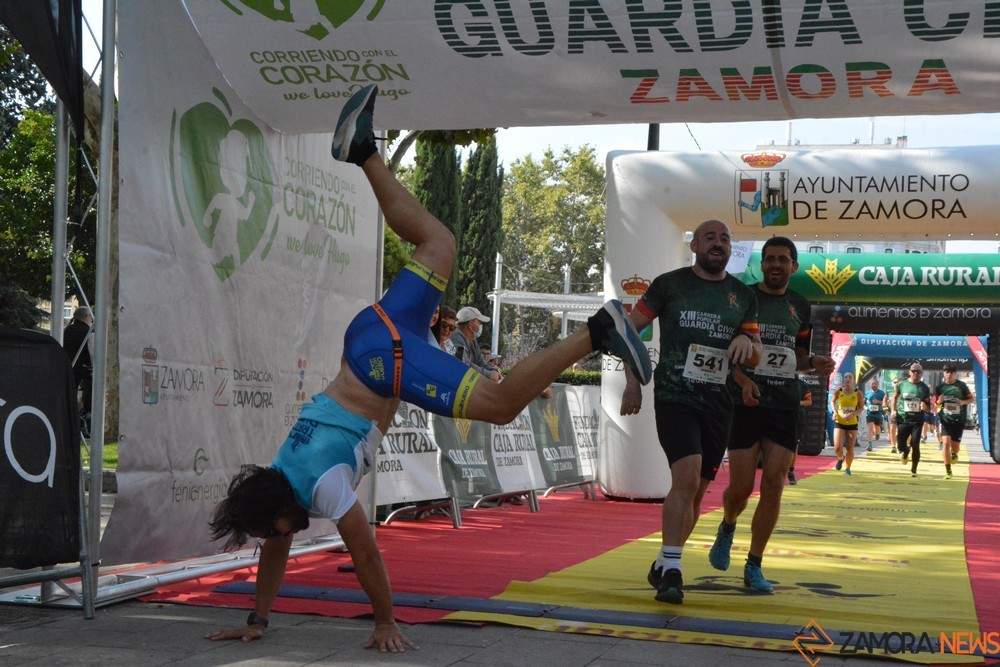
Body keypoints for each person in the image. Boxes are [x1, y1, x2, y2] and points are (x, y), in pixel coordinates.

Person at [206, 85, 652, 651]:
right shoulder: (281, 472)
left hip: (380, 363)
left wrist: (386, 621)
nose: (274, 541)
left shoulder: (322, 487)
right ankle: (365, 151)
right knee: (438, 242)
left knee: (498, 405)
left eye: (268, 532)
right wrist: (257, 621)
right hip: (371, 335)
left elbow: (365, 551)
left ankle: (598, 330)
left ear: (278, 514)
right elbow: (274, 550)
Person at [620, 219, 762, 605]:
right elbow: (630, 331)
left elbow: (758, 353)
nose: (719, 243)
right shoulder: (670, 284)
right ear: (695, 245)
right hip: (675, 395)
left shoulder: (742, 295)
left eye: (725, 238)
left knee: (698, 491)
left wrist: (745, 340)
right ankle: (673, 574)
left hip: (719, 403)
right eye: (710, 237)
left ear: (731, 249)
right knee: (686, 475)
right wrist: (633, 381)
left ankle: (663, 562)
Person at [708, 237, 834, 593]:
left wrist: (817, 364)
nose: (776, 265)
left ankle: (754, 564)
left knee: (775, 483)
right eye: (770, 259)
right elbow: (726, 351)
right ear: (762, 265)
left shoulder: (800, 305)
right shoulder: (743, 298)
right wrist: (742, 380)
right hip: (745, 401)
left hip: (784, 403)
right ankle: (728, 524)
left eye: (783, 259)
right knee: (742, 486)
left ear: (794, 266)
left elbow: (799, 356)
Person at [892, 362, 931, 477]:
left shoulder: (924, 388)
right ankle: (905, 451)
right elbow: (895, 397)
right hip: (903, 418)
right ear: (910, 372)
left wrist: (926, 407)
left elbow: (929, 405)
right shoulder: (902, 384)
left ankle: (914, 469)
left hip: (917, 420)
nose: (916, 373)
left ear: (922, 373)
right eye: (914, 371)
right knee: (900, 445)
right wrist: (894, 410)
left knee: (915, 443)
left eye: (919, 372)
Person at [934, 365, 973, 478]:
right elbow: (936, 406)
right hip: (945, 420)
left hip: (959, 420)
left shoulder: (962, 386)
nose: (949, 374)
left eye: (952, 372)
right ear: (944, 373)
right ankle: (948, 470)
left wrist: (962, 402)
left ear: (955, 374)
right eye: (947, 372)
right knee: (946, 443)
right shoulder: (940, 387)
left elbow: (971, 399)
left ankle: (954, 454)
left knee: (955, 447)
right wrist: (939, 402)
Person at [450, 306, 501, 381]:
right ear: (470, 324)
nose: (480, 326)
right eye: (479, 322)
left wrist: (493, 370)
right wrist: (489, 374)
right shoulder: (456, 336)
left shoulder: (472, 339)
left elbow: (480, 362)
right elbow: (464, 363)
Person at [62, 306, 93, 426]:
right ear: (86, 317)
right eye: (90, 317)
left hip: (68, 367)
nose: (91, 319)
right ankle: (86, 413)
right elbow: (90, 352)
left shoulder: (67, 330)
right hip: (84, 368)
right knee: (90, 388)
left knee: (70, 394)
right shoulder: (88, 331)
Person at [832, 373, 863, 475]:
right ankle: (841, 458)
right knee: (837, 447)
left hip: (852, 423)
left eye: (850, 377)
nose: (848, 379)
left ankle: (848, 468)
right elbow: (832, 402)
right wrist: (835, 412)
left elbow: (861, 408)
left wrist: (853, 414)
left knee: (850, 447)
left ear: (853, 380)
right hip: (839, 421)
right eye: (846, 377)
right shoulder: (838, 391)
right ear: (843, 380)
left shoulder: (858, 393)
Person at [788, 375, 815, 486]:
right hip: (778, 416)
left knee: (794, 445)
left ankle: (790, 470)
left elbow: (809, 401)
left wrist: (798, 403)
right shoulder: (778, 380)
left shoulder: (802, 384)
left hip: (797, 418)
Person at [864, 378, 886, 448]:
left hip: (878, 413)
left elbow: (885, 403)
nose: (873, 385)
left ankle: (877, 434)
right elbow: (864, 402)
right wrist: (865, 407)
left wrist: (878, 402)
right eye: (872, 384)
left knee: (877, 427)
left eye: (875, 384)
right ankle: (869, 444)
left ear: (878, 384)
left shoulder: (882, 393)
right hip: (869, 413)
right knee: (870, 428)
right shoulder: (867, 393)